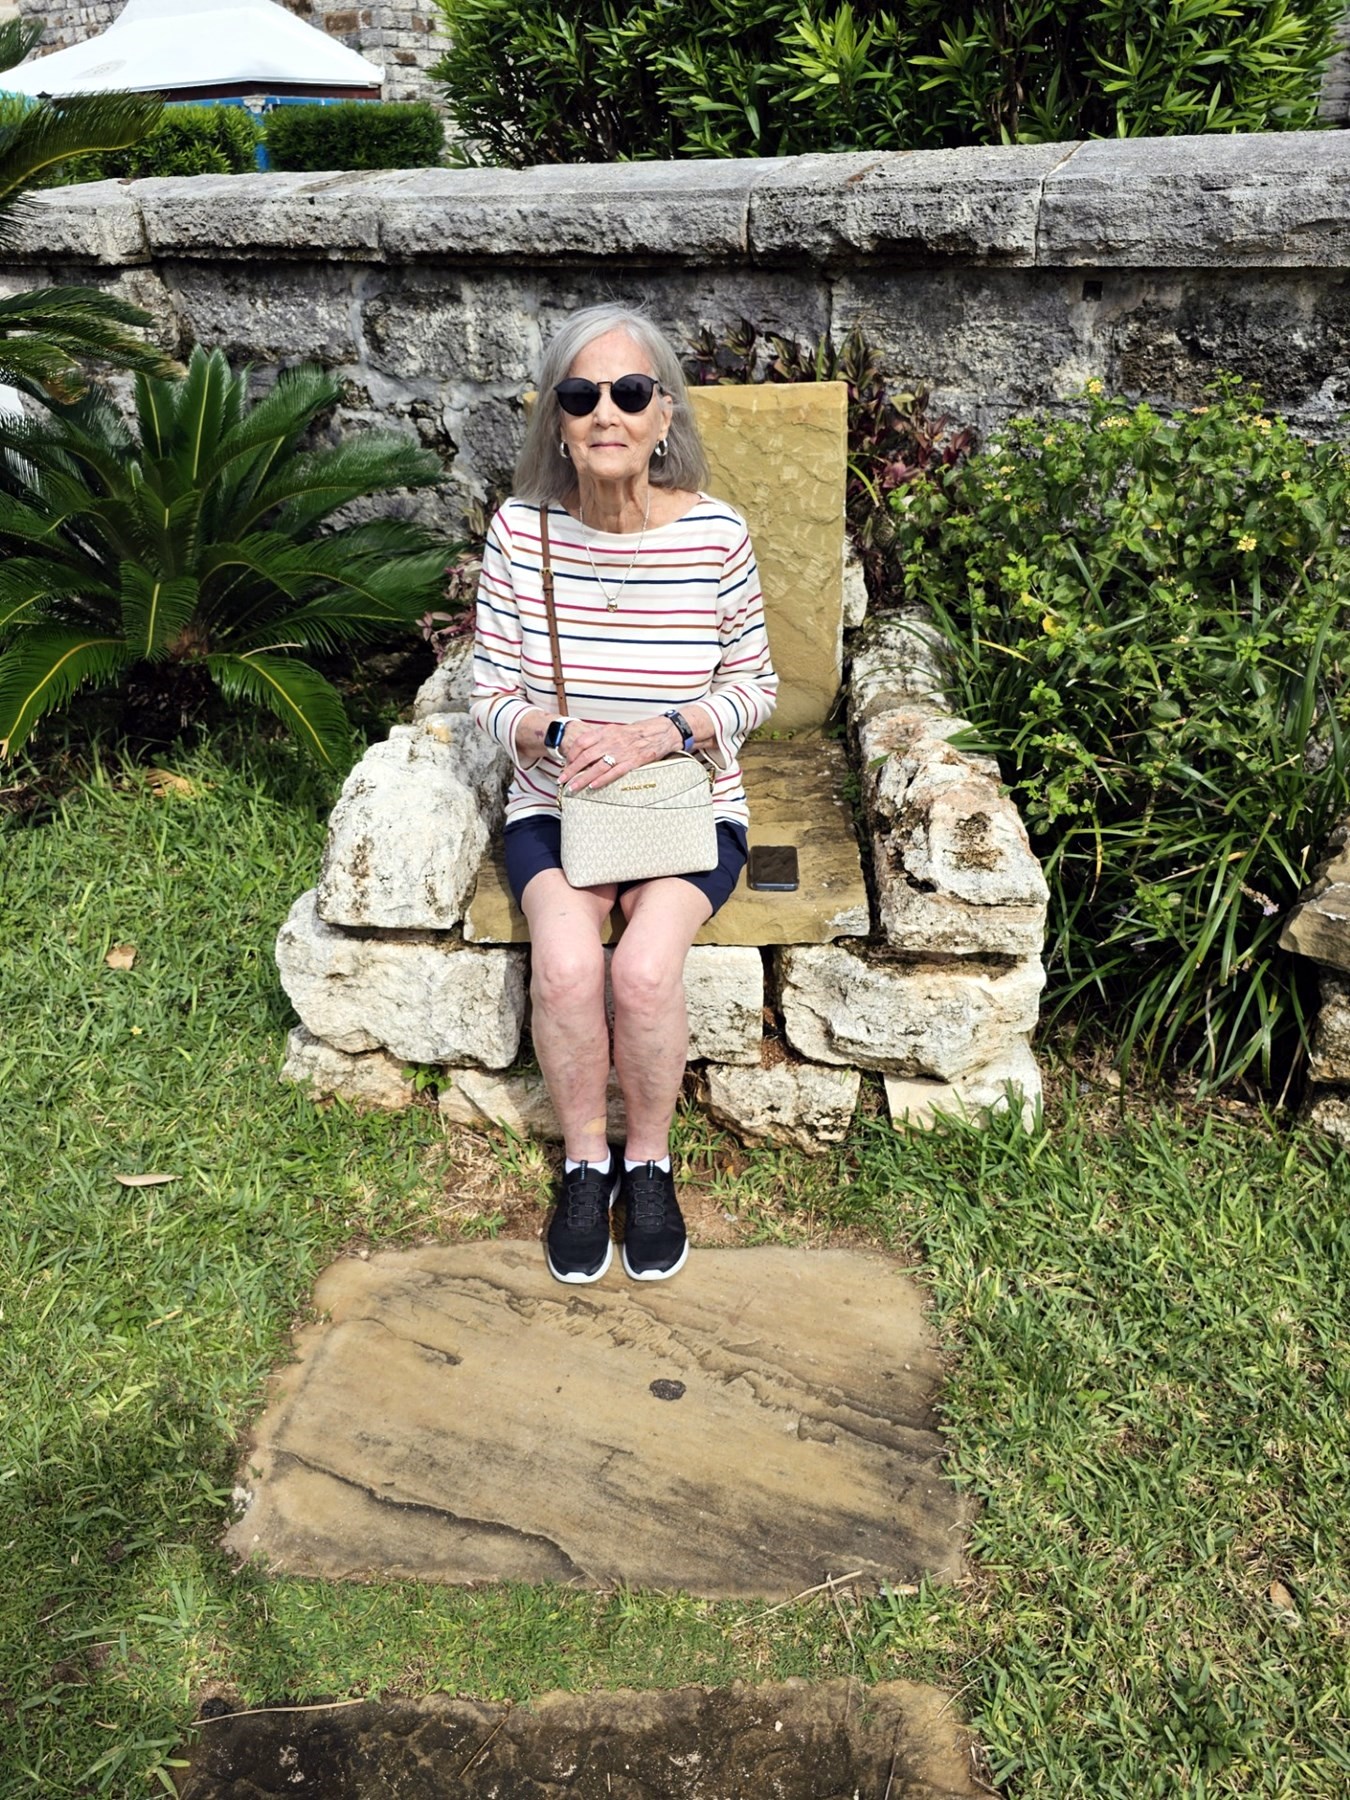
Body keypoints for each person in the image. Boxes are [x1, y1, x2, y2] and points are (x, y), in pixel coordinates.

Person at [469, 304, 778, 1286]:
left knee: (643, 972)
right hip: (558, 806)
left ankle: (647, 1162)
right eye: (581, 395)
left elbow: (757, 688)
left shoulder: (718, 534)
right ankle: (582, 1164)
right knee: (566, 968)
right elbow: (490, 696)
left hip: (687, 800)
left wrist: (660, 730)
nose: (607, 411)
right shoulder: (521, 532)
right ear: (557, 422)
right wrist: (558, 736)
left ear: (663, 417)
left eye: (630, 393)